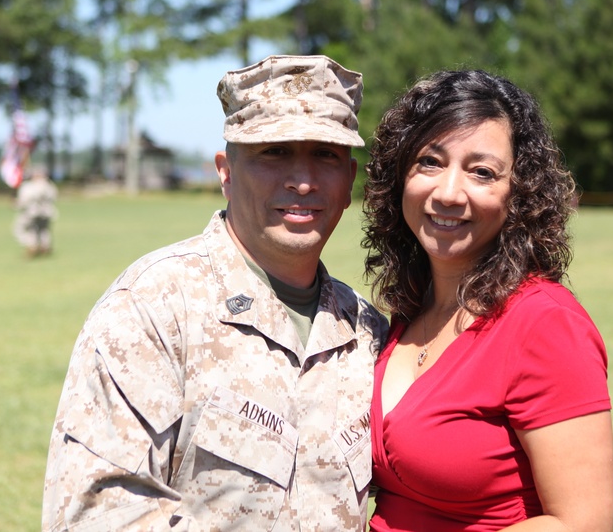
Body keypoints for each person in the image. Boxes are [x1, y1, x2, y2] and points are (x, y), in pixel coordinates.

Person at [42, 55, 388, 532]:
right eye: (274, 151)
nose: (303, 180)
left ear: (350, 180)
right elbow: (97, 514)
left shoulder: (368, 333)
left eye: (325, 154)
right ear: (225, 171)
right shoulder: (154, 308)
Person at [362, 69, 613, 531]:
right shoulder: (412, 310)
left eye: (482, 172)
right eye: (430, 162)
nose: (449, 193)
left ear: (519, 193)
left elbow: (583, 523)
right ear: (400, 176)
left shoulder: (545, 323)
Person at [14, 165, 58, 257]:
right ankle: (44, 247)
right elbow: (54, 197)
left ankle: (33, 247)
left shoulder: (30, 187)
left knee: (30, 230)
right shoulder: (49, 186)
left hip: (32, 212)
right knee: (44, 231)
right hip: (46, 213)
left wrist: (16, 204)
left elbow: (24, 201)